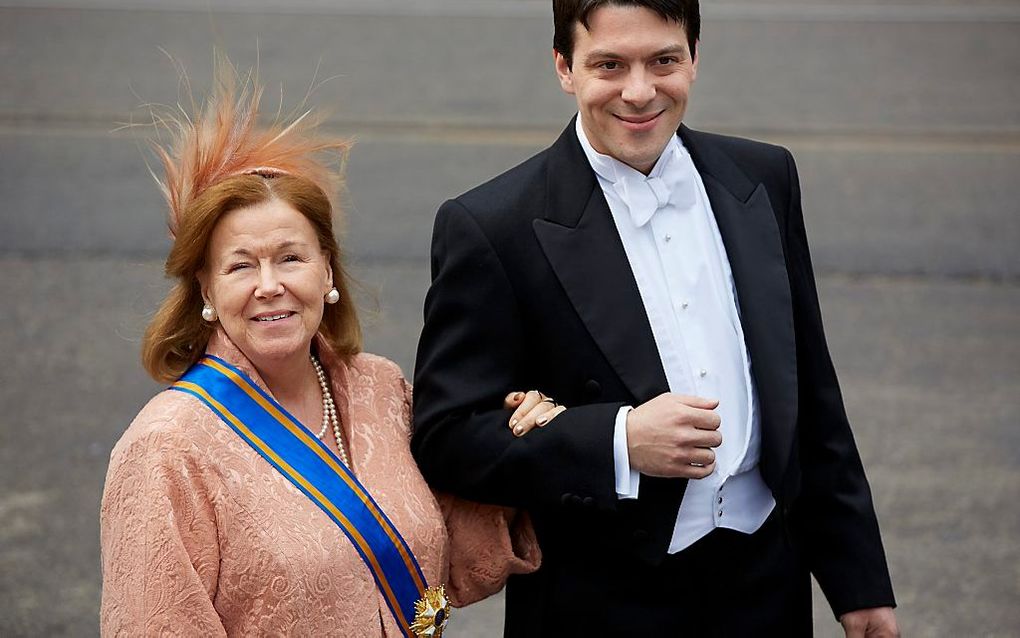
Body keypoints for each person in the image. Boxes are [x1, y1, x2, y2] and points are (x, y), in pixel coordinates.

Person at [411, 1, 899, 635]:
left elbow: (811, 395)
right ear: (564, 67)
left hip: (767, 589)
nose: (639, 93)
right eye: (609, 64)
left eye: (663, 60)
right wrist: (618, 441)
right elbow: (446, 436)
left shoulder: (763, 178)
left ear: (694, 57)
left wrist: (858, 582)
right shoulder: (492, 226)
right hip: (603, 603)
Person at [99, 61, 555, 637]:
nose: (270, 284)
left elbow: (459, 555)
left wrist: (522, 439)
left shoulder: (379, 388)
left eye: (291, 257)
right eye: (241, 265)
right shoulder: (165, 450)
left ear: (327, 270)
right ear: (207, 291)